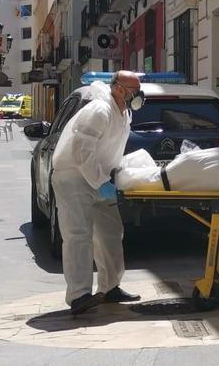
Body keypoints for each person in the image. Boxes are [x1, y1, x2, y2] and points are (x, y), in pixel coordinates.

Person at [49, 71, 143, 314]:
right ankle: (79, 295)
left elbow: (110, 149)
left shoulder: (124, 114)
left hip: (99, 177)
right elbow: (81, 150)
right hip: (73, 176)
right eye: (134, 90)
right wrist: (101, 181)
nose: (138, 95)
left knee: (111, 232)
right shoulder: (99, 110)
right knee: (78, 234)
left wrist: (111, 178)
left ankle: (110, 287)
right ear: (119, 89)